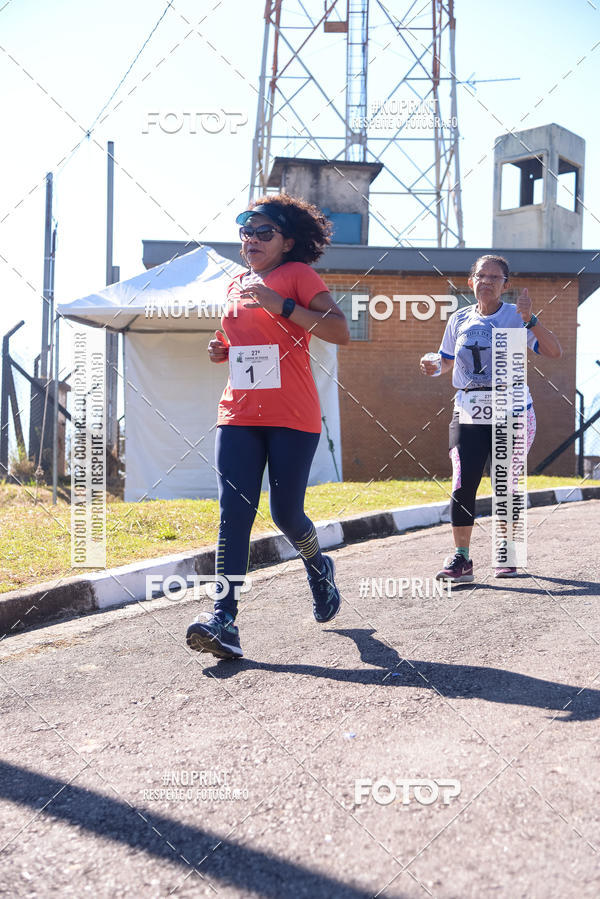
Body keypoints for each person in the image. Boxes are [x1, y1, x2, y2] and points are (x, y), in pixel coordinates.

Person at [186, 194, 350, 658]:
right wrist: (220, 350)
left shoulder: (298, 276)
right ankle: (224, 618)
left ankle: (318, 567)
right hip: (238, 413)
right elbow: (238, 340)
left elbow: (339, 331)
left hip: (291, 416)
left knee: (286, 514)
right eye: (246, 232)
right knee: (233, 513)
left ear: (287, 241)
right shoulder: (237, 281)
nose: (252, 240)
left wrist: (284, 306)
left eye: (263, 233)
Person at [420, 254, 562, 582]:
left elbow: (554, 351)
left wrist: (532, 320)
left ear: (505, 285)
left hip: (512, 410)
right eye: (481, 276)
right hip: (469, 411)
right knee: (462, 481)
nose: (486, 282)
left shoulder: (516, 317)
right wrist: (433, 366)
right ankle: (462, 559)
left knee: (505, 483)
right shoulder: (459, 319)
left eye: (494, 278)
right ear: (471, 282)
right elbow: (445, 361)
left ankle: (506, 553)